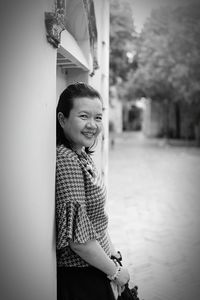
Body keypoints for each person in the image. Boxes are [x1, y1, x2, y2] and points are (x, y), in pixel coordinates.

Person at [56, 82, 130, 300]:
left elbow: (94, 220)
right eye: (83, 116)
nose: (93, 125)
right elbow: (79, 242)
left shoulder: (81, 155)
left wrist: (113, 254)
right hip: (83, 277)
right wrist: (115, 272)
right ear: (62, 119)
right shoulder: (66, 159)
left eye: (98, 117)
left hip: (99, 266)